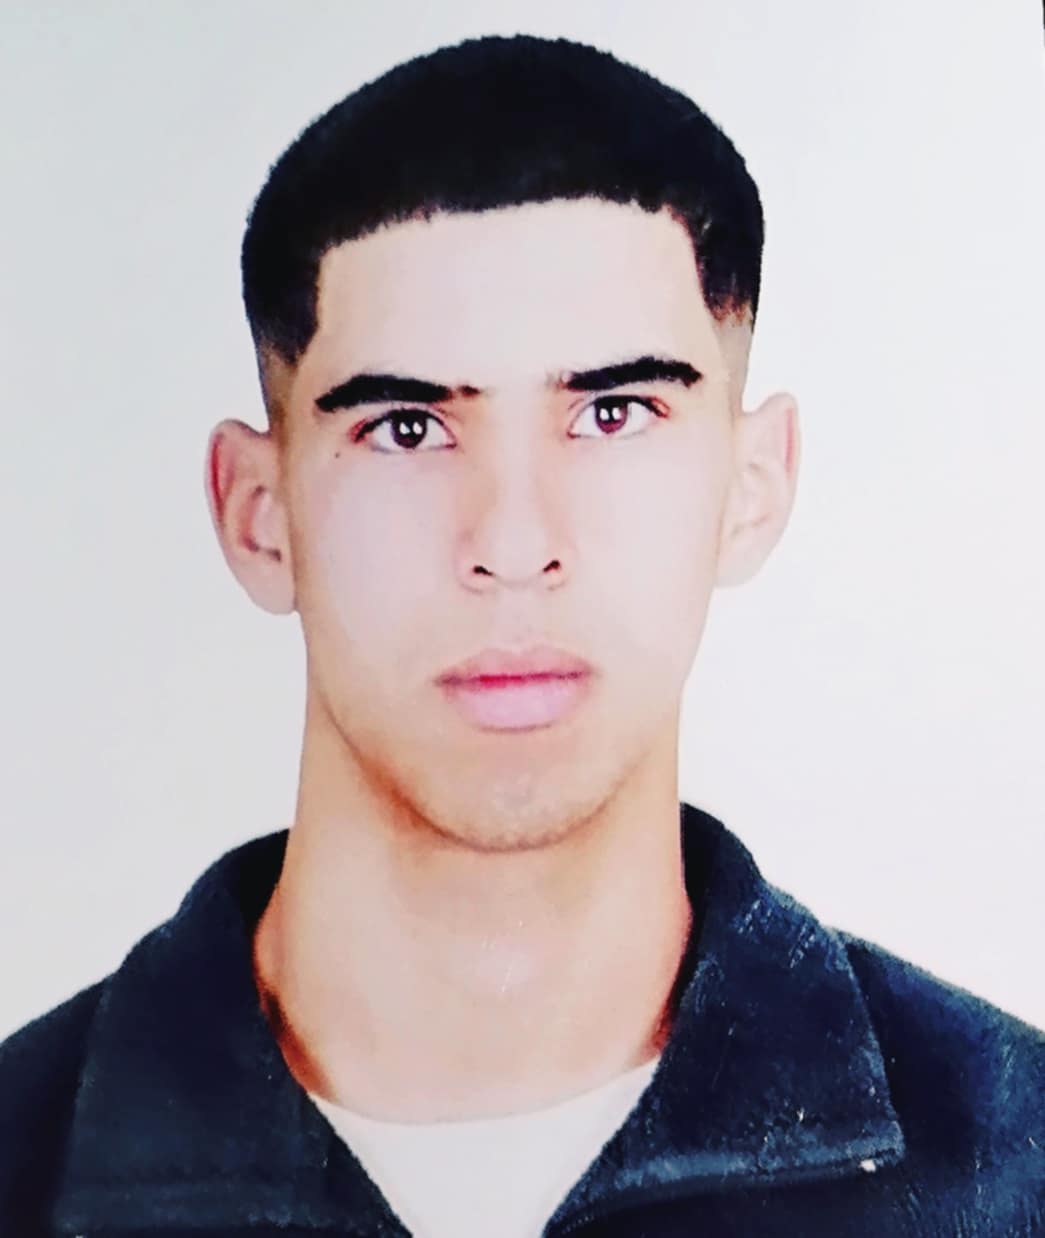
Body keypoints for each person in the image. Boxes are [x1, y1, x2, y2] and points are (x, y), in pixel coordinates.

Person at [1, 32, 1041, 1238]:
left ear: (752, 485)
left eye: (613, 412)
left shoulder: (1014, 1167)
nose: (510, 541)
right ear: (258, 512)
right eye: (406, 427)